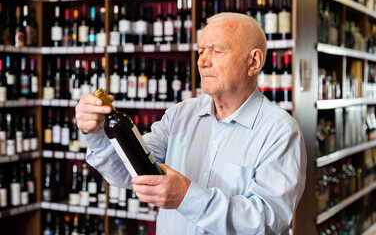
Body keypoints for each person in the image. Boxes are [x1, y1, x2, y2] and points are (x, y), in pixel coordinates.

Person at [76, 12, 307, 234]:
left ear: (254, 61)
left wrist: (188, 197)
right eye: (200, 51)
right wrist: (95, 132)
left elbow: (266, 222)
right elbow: (131, 172)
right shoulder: (180, 115)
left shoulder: (280, 131)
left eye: (216, 50)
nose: (202, 62)